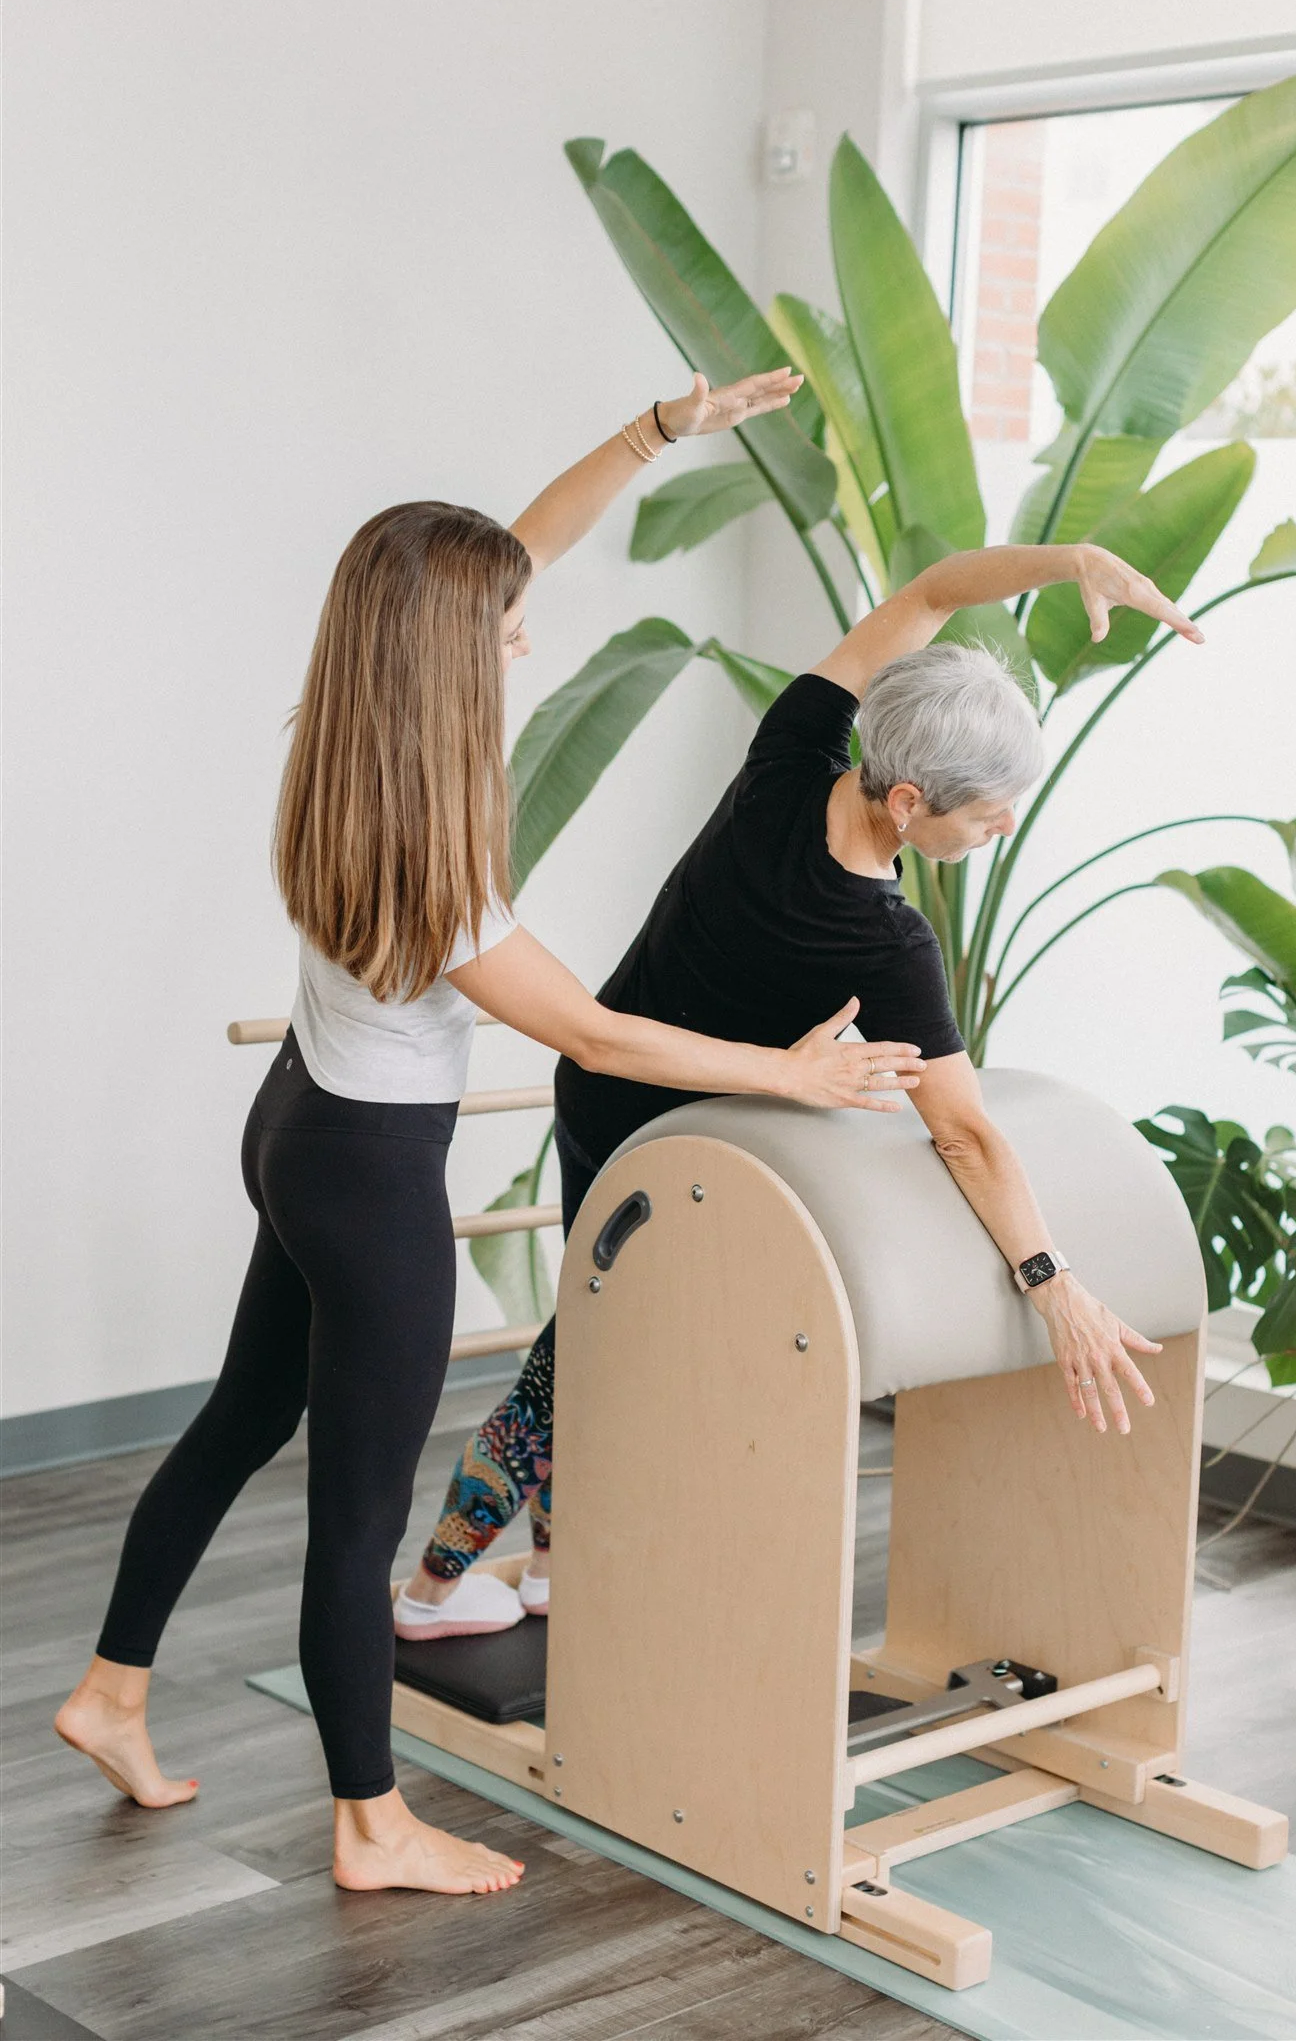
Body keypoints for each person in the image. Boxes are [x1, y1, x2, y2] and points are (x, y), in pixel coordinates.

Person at [54, 367, 926, 1899]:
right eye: (506, 628)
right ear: (448, 656)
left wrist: (656, 432)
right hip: (371, 1179)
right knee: (358, 1522)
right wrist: (789, 1077)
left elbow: (521, 544)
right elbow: (592, 1032)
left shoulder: (344, 735)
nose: (526, 636)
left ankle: (111, 1693)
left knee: (243, 1416)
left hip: (296, 1128)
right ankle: (370, 1824)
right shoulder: (431, 857)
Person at [397, 539, 1205, 1641]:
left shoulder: (790, 754)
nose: (1002, 828)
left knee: (598, 1331)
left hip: (600, 1091)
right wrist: (1054, 1285)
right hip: (672, 1143)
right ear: (909, 800)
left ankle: (547, 1568)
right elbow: (965, 1136)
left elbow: (929, 593)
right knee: (582, 1356)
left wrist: (1073, 561)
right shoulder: (884, 943)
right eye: (988, 813)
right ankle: (430, 1593)